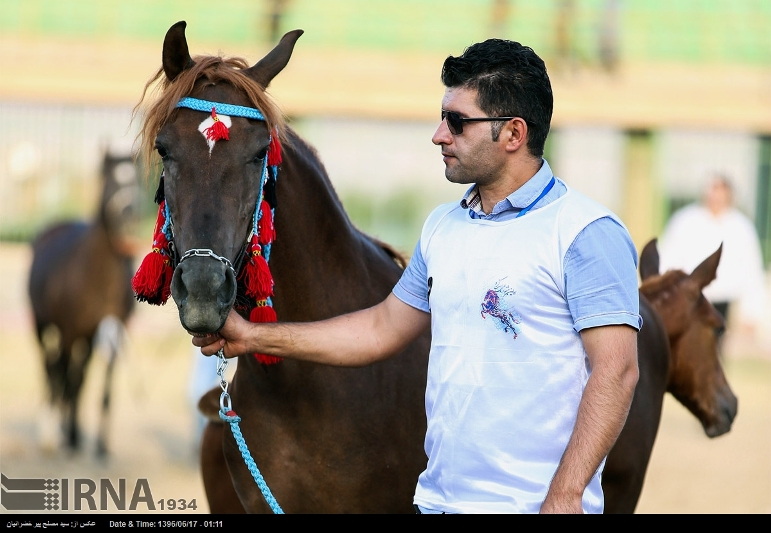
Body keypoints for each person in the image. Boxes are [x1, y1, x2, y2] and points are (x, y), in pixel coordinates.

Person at [192, 38, 641, 514]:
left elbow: (617, 370)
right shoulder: (443, 227)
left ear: (513, 133)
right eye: (442, 117)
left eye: (457, 121)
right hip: (437, 503)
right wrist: (253, 336)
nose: (439, 135)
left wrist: (566, 496)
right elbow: (380, 329)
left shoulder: (586, 232)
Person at [658, 174, 766, 342]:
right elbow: (668, 258)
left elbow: (751, 269)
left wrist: (751, 311)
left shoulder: (741, 227)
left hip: (723, 299)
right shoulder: (685, 221)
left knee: (714, 347)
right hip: (691, 296)